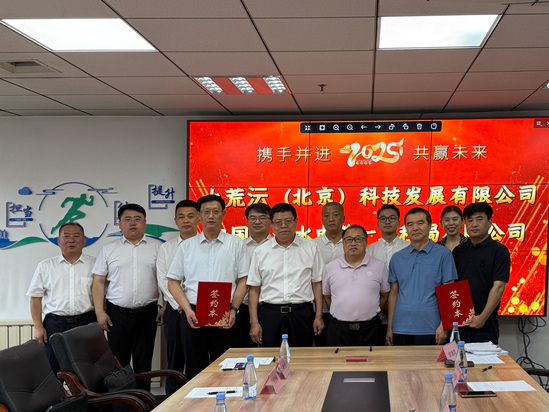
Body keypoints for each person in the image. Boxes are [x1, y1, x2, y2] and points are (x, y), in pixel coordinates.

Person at [167, 195, 249, 380]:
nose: (211, 216)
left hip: (226, 314)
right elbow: (173, 282)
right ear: (199, 215)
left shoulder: (236, 244)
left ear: (223, 214)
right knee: (195, 369)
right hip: (194, 315)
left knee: (228, 369)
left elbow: (244, 280)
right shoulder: (186, 246)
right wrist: (187, 310)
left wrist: (234, 309)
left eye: (215, 211)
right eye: (206, 212)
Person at [92, 203, 161, 390]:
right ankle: (121, 402)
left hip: (147, 314)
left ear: (145, 223)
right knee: (117, 363)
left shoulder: (157, 247)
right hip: (116, 315)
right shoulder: (108, 249)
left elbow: (165, 279)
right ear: (120, 223)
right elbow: (98, 281)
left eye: (137, 219)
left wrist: (163, 305)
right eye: (127, 219)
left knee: (144, 363)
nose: (132, 223)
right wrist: (100, 312)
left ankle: (143, 401)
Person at [247, 203, 325, 348]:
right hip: (270, 315)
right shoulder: (261, 252)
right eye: (278, 222)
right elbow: (254, 289)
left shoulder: (311, 248)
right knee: (270, 357)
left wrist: (318, 316)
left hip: (301, 314)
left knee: (302, 357)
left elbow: (317, 284)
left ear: (296, 221)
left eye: (288, 221)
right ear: (271, 224)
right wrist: (254, 322)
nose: (283, 226)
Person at [27, 222, 96, 373]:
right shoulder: (46, 266)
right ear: (58, 241)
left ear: (84, 240)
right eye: (66, 236)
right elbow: (35, 298)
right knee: (52, 369)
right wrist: (38, 326)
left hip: (86, 323)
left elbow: (103, 296)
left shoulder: (95, 265)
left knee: (86, 371)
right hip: (54, 325)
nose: (71, 240)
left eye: (76, 236)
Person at [386, 207, 457, 346]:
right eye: (410, 224)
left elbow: (450, 292)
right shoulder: (397, 258)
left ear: (430, 226)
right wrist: (390, 328)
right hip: (400, 327)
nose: (415, 228)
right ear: (405, 228)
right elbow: (393, 294)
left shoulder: (444, 254)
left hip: (432, 328)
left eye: (420, 223)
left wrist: (444, 325)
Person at [156, 199, 199, 396]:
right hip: (176, 310)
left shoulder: (206, 245)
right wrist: (180, 304)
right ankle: (172, 400)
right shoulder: (166, 248)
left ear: (198, 218)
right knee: (174, 357)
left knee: (197, 356)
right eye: (181, 217)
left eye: (190, 216)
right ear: (175, 221)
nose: (186, 220)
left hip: (199, 308)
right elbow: (163, 279)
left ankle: (197, 397)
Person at [323, 225, 389, 346]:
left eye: (358, 239)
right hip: (338, 329)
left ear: (366, 242)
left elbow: (385, 295)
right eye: (349, 239)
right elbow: (327, 296)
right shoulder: (330, 267)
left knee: (373, 358)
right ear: (343, 243)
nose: (353, 243)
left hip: (370, 329)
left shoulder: (379, 266)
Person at [453, 202, 510, 344]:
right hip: (459, 324)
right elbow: (452, 286)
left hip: (485, 324)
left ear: (489, 222)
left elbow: (499, 286)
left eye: (479, 219)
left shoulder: (499, 251)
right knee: (457, 358)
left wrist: (482, 317)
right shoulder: (458, 251)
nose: (474, 224)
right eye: (470, 220)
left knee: (485, 359)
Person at [366, 204, 409, 340]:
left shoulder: (409, 248)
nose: (388, 221)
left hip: (404, 308)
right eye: (383, 219)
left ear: (399, 223)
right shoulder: (369, 250)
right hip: (376, 311)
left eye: (392, 218)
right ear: (378, 224)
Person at [236, 203, 272, 347]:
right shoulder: (238, 247)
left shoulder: (278, 246)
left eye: (262, 218)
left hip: (269, 307)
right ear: (247, 221)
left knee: (270, 350)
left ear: (270, 220)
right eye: (253, 218)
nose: (257, 222)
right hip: (243, 306)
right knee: (245, 350)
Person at [312, 202, 345, 346]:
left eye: (335, 215)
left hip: (348, 309)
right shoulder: (312, 245)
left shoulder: (353, 243)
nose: (331, 219)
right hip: (321, 310)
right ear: (322, 220)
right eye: (326, 216)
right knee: (322, 350)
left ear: (343, 218)